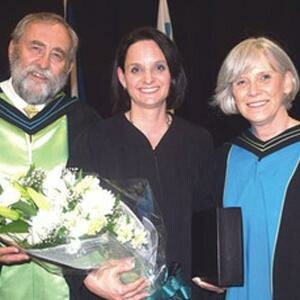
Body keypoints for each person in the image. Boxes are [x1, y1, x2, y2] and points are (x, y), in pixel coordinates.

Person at [0, 12, 145, 300]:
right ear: (12, 49)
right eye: (35, 48)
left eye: (57, 55)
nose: (43, 64)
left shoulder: (86, 123)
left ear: (68, 68)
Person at [69, 26, 214, 299]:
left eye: (158, 67)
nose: (148, 78)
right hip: (119, 292)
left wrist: (217, 270)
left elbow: (209, 217)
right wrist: (88, 279)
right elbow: (70, 223)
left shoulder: (199, 141)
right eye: (136, 69)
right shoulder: (93, 140)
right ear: (122, 77)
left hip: (186, 292)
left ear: (172, 75)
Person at [195, 37, 300, 300]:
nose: (253, 90)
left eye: (264, 76)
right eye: (241, 81)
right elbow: (205, 234)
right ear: (232, 93)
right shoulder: (222, 160)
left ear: (287, 82)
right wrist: (204, 271)